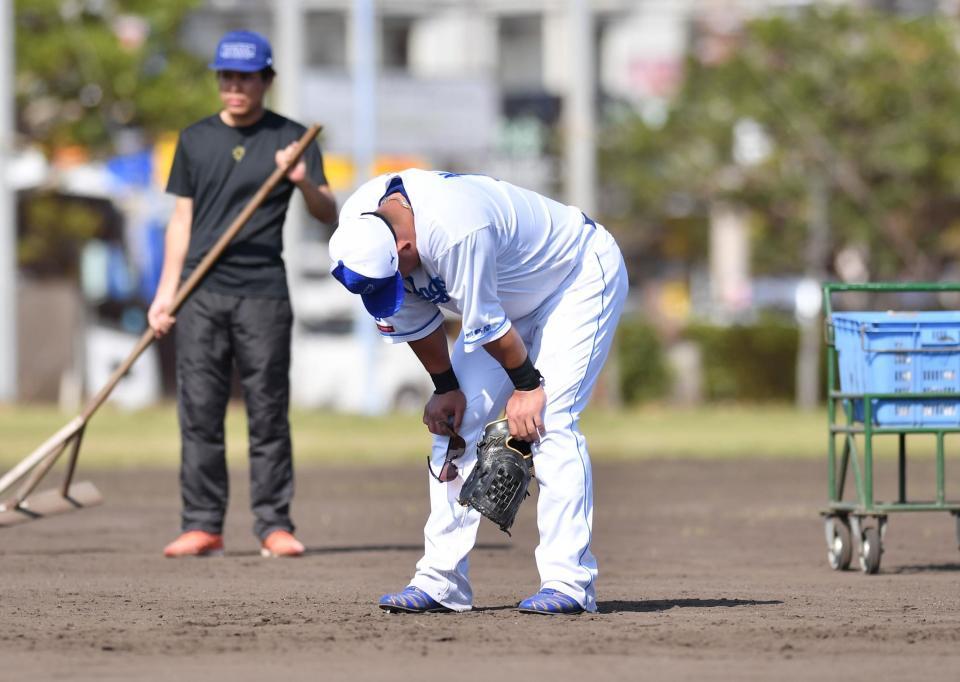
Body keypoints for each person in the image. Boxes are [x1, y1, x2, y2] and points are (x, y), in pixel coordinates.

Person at [327, 169, 628, 614]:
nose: (400, 285)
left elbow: (488, 326)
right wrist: (445, 387)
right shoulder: (362, 231)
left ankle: (570, 583)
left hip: (575, 276)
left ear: (405, 248)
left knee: (549, 421)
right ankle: (441, 581)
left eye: (399, 272)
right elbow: (414, 320)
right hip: (502, 301)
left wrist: (528, 385)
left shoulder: (454, 228)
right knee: (455, 427)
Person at [148, 30, 337, 558]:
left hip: (264, 294)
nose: (234, 86)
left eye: (245, 77)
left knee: (268, 412)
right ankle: (203, 524)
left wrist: (300, 179)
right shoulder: (194, 140)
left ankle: (274, 525)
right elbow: (181, 220)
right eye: (226, 77)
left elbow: (328, 211)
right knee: (200, 411)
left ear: (265, 81)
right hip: (200, 294)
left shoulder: (294, 139)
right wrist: (166, 295)